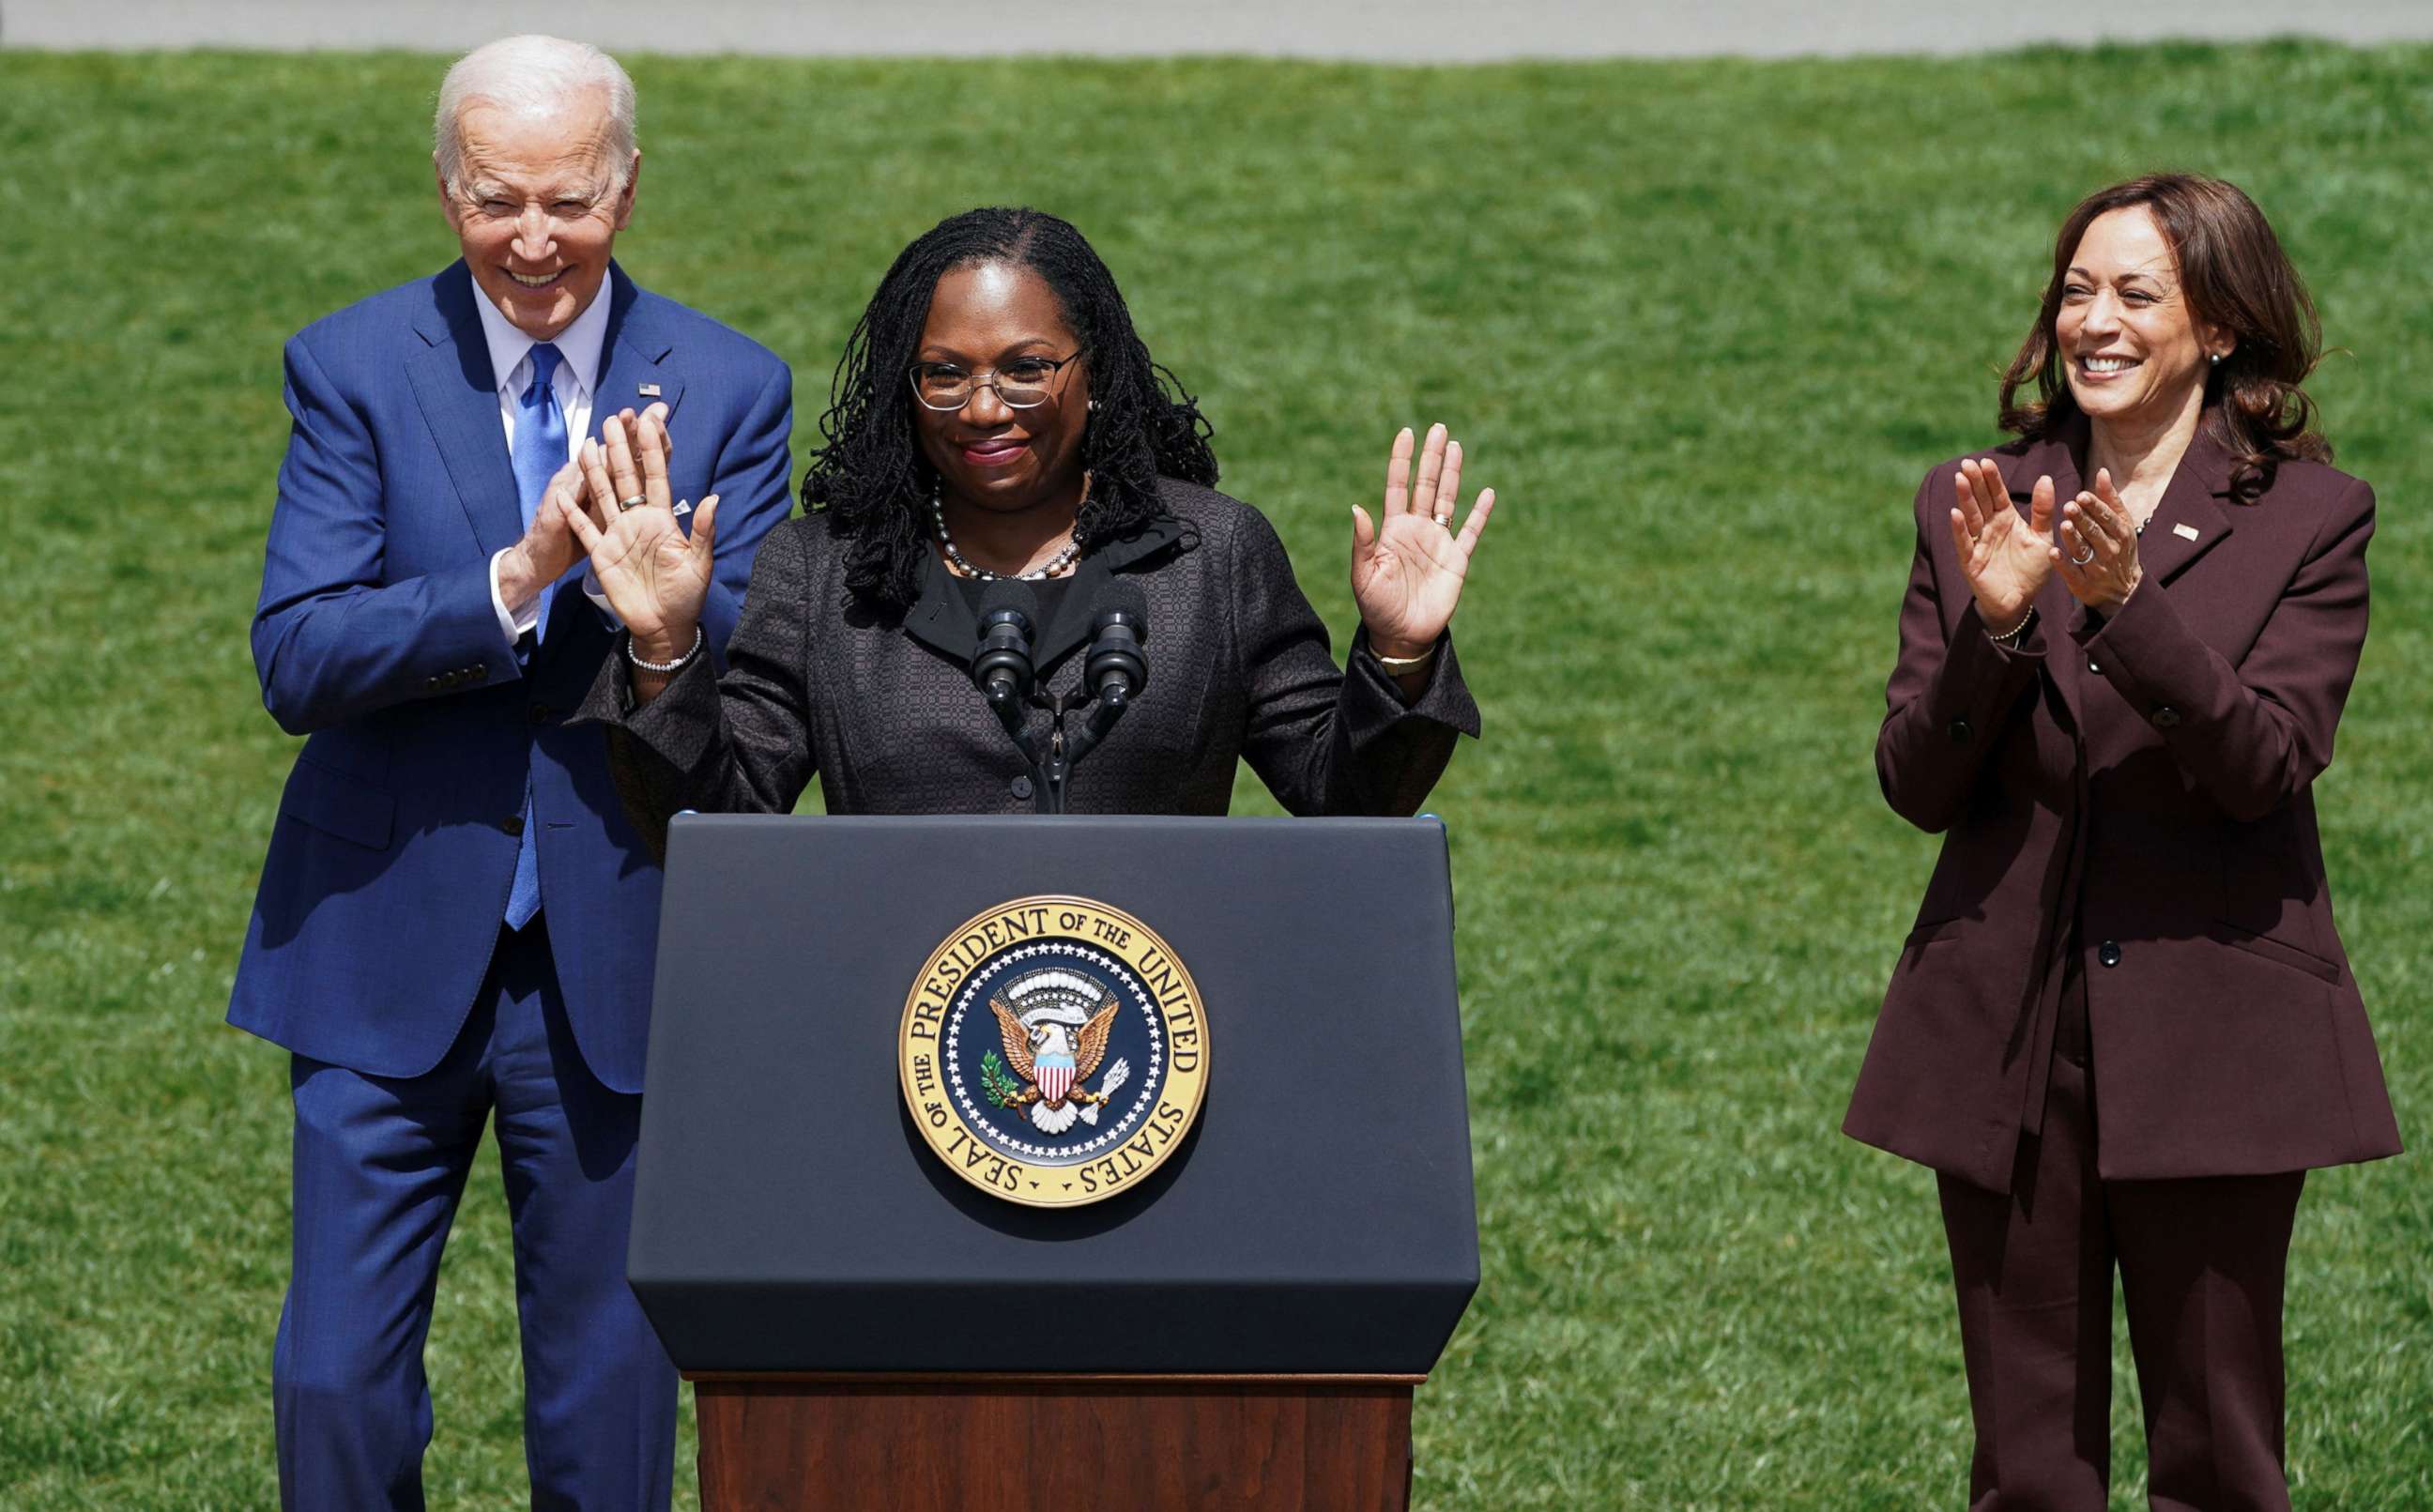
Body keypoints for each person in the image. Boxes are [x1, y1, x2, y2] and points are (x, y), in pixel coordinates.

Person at [225, 36, 794, 1510]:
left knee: (609, 1403)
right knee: (334, 1382)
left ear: (626, 185)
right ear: (443, 187)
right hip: (381, 939)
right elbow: (298, 653)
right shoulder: (354, 363)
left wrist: (667, 608)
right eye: (494, 200)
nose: (533, 238)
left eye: (569, 199)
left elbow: (776, 675)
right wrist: (520, 572)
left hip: (619, 942)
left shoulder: (734, 385)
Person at [1844, 173, 2402, 1510]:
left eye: (2134, 292)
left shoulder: (2312, 520)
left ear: (2219, 327)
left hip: (2218, 1041)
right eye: (2077, 290)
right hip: (2008, 1041)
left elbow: (2264, 762)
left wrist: (2125, 608)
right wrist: (1992, 626)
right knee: (2028, 1468)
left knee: (2216, 1457)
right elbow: (1916, 782)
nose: (2093, 319)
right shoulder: (1975, 499)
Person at [561, 206, 1495, 830]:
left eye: (1026, 366)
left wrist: (1401, 655)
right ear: (904, 386)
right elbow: (716, 829)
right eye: (945, 373)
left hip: (1154, 1048)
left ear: (1095, 375)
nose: (982, 407)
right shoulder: (823, 571)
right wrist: (664, 649)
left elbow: (1350, 802)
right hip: (903, 1040)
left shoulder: (1214, 554)